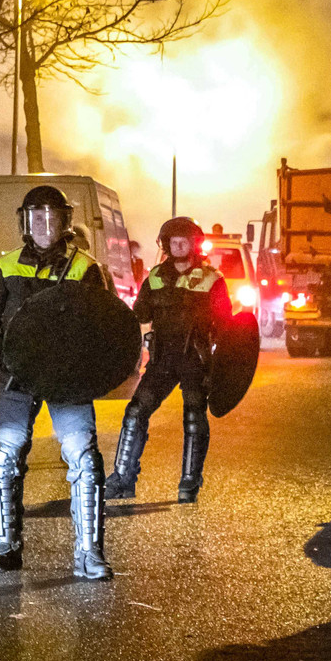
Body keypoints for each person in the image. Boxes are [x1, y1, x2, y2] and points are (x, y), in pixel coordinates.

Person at [0, 185, 114, 578]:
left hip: (66, 377)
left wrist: (87, 367)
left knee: (85, 459)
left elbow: (104, 327)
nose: (43, 223)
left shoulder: (86, 268)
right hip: (19, 376)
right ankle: (6, 546)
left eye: (52, 217)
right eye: (37, 216)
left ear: (65, 223)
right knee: (6, 457)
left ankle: (90, 553)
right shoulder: (5, 267)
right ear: (25, 221)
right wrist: (3, 354)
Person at [104, 216, 231, 504]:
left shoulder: (213, 279)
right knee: (135, 412)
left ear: (194, 244)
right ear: (165, 245)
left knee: (194, 419)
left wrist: (221, 367)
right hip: (162, 359)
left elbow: (226, 326)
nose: (178, 245)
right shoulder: (156, 277)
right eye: (173, 241)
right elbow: (140, 315)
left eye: (183, 240)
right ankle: (123, 479)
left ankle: (189, 481)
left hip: (194, 360)